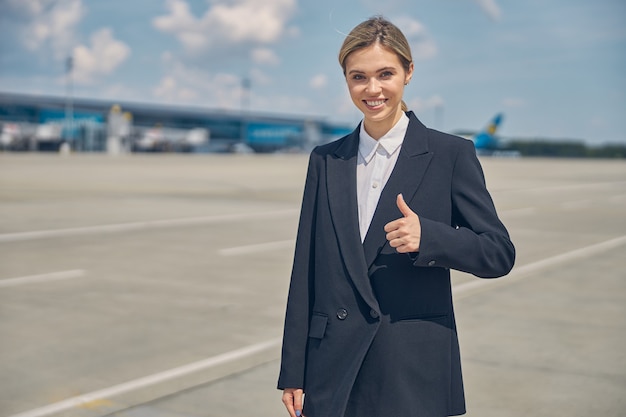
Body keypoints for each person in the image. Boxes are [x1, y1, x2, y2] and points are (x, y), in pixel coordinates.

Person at [278, 16, 515, 417]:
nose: (372, 90)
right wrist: (293, 370)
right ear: (346, 80)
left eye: (385, 74)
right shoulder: (326, 159)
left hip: (410, 367)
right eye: (358, 77)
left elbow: (499, 254)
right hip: (332, 366)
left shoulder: (450, 154)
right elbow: (306, 269)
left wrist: (433, 238)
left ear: (408, 72)